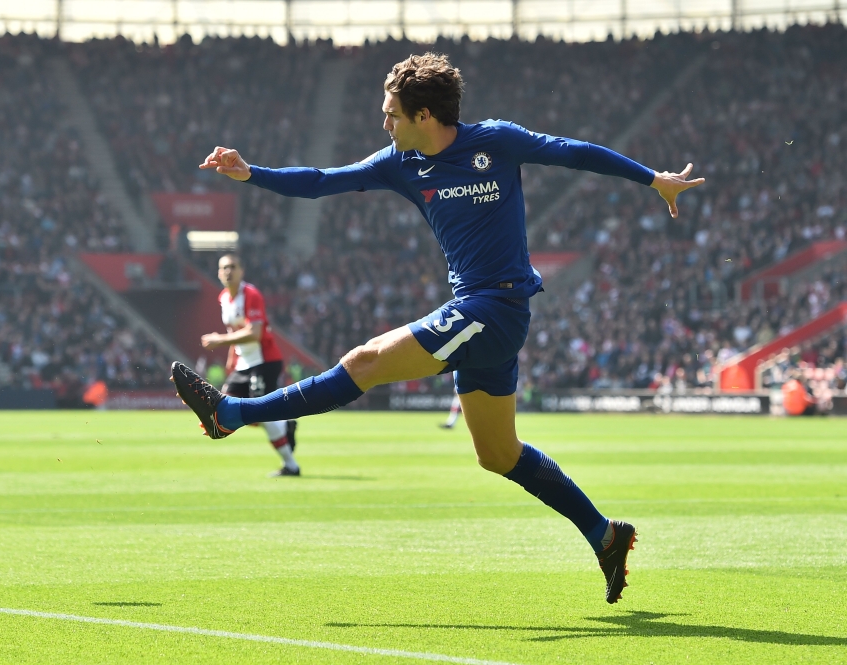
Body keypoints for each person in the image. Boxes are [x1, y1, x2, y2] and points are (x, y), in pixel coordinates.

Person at [172, 52, 703, 603]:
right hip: (480, 315)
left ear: (425, 115)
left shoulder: (496, 140)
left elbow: (574, 152)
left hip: (493, 308)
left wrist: (652, 179)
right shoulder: (401, 163)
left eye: (392, 115)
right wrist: (250, 172)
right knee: (497, 454)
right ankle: (605, 535)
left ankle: (230, 414)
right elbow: (321, 182)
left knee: (365, 362)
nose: (385, 124)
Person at [199, 253, 300, 477]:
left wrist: (220, 340)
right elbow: (233, 332)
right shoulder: (224, 297)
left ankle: (291, 466)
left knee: (261, 414)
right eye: (224, 268)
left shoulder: (251, 295)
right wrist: (230, 359)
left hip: (264, 362)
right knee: (226, 410)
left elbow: (255, 334)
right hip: (243, 364)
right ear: (218, 273)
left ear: (241, 271)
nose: (228, 271)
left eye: (233, 267)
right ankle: (285, 425)